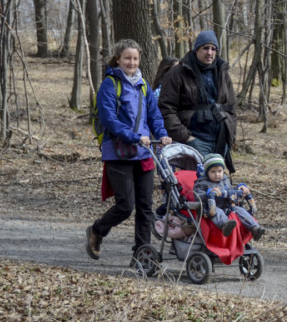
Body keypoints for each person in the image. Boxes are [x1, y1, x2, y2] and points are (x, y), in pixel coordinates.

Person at [86, 39, 172, 261]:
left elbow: (154, 115)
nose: (131, 62)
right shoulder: (109, 84)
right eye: (127, 58)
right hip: (118, 152)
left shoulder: (144, 85)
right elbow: (109, 120)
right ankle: (97, 230)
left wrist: (161, 133)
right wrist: (134, 136)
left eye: (135, 58)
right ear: (118, 59)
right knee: (125, 206)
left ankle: (142, 254)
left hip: (144, 153)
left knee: (145, 207)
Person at [158, 29, 238, 168]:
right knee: (195, 184)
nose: (209, 52)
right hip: (195, 139)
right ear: (196, 49)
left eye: (213, 49)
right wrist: (186, 137)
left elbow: (231, 107)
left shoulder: (222, 72)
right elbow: (166, 108)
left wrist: (230, 131)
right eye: (205, 48)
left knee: (215, 184)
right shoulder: (178, 72)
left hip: (220, 139)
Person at [193, 153, 266, 240]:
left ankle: (254, 228)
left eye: (219, 171)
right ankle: (225, 225)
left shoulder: (225, 179)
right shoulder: (202, 183)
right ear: (206, 172)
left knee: (240, 210)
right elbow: (198, 196)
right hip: (212, 208)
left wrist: (239, 188)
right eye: (213, 171)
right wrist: (208, 193)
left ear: (223, 170)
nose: (217, 174)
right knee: (218, 212)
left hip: (228, 206)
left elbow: (230, 190)